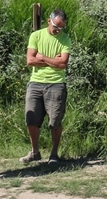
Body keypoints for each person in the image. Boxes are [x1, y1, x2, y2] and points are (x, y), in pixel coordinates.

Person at [20, 10, 71, 164]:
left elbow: (62, 64)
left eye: (61, 28)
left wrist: (42, 57)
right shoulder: (36, 36)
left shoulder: (65, 39)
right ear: (49, 21)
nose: (58, 30)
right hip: (35, 82)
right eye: (56, 26)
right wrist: (52, 61)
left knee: (55, 121)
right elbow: (30, 60)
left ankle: (54, 154)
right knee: (31, 120)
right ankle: (35, 151)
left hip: (56, 84)